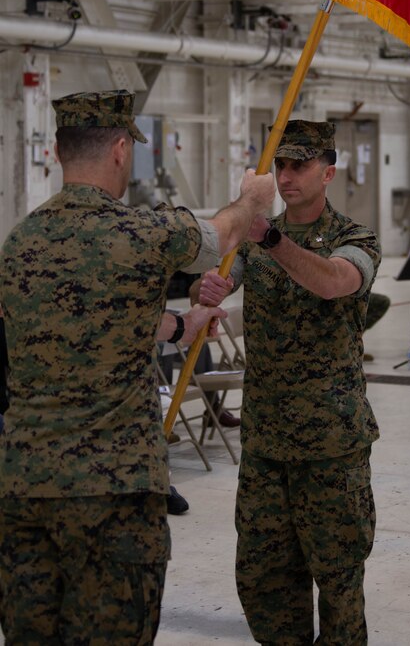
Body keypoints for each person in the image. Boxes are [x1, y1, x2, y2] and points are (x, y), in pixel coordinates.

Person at [0, 89, 274, 644]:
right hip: (115, 495)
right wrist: (252, 199)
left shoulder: (18, 243)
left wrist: (181, 324)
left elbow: (91, 321)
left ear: (56, 151)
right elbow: (220, 234)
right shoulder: (141, 234)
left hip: (24, 490)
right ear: (121, 149)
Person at [196, 119, 381, 646]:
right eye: (281, 165)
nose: (287, 175)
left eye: (299, 165)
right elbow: (216, 281)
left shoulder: (354, 237)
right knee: (264, 577)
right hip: (266, 441)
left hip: (330, 444)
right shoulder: (255, 240)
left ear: (329, 173)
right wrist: (204, 290)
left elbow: (333, 282)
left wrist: (272, 238)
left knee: (339, 578)